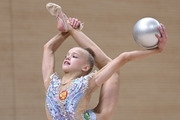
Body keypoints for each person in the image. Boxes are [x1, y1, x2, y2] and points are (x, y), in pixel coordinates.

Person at [42, 3, 168, 120]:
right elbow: (48, 48)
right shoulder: (58, 83)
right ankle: (69, 27)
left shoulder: (73, 83)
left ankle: (69, 27)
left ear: (86, 68)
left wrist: (67, 31)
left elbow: (49, 48)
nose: (67, 57)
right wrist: (66, 31)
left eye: (74, 56)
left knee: (110, 68)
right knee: (110, 69)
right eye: (67, 55)